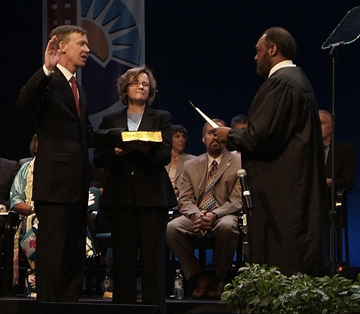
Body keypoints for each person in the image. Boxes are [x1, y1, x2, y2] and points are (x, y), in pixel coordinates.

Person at [214, 27, 329, 277]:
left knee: (283, 260)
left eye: (258, 51)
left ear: (273, 49)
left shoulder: (282, 84)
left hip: (283, 194)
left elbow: (261, 137)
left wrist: (229, 135)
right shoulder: (299, 82)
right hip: (295, 186)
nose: (255, 57)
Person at [17, 25, 93, 302]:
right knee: (52, 256)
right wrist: (46, 69)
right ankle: (48, 308)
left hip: (77, 185)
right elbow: (24, 102)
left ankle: (70, 306)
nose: (87, 49)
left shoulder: (79, 89)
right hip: (54, 186)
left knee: (74, 256)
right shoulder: (48, 82)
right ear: (61, 47)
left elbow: (86, 134)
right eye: (82, 44)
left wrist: (122, 139)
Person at [93, 66, 177, 313]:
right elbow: (99, 159)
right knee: (124, 261)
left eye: (145, 83)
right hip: (120, 198)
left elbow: (164, 155)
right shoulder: (111, 121)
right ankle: (124, 309)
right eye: (136, 82)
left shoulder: (161, 117)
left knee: (153, 260)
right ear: (125, 88)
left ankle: (155, 308)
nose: (141, 86)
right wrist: (115, 153)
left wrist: (143, 151)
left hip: (152, 197)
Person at [166, 119, 242, 300]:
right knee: (172, 228)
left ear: (225, 136)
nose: (214, 137)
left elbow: (237, 201)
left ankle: (219, 277)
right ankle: (198, 276)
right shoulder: (191, 165)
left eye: (218, 133)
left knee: (227, 227)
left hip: (224, 214)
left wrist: (214, 214)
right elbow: (184, 199)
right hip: (196, 214)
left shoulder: (238, 162)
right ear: (203, 139)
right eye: (210, 133)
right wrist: (196, 214)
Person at [319, 110, 356, 192]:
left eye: (321, 123)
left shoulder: (345, 149)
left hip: (330, 197)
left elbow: (348, 181)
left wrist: (330, 182)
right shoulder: (306, 149)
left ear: (331, 127)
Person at [165, 125, 196, 200]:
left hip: (183, 201)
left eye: (183, 136)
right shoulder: (163, 160)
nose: (181, 140)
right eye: (177, 136)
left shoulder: (193, 161)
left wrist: (178, 191)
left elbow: (194, 185)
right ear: (170, 139)